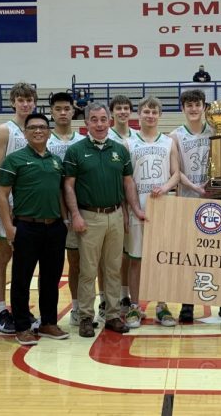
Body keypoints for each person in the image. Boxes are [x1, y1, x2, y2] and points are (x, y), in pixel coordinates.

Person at [63, 102, 146, 338]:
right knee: (88, 270)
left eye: (103, 119)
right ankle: (86, 317)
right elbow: (68, 186)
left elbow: (128, 182)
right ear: (86, 123)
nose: (99, 124)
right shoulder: (76, 151)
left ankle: (112, 315)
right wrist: (76, 214)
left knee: (112, 270)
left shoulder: (120, 150)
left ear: (109, 121)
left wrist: (134, 211)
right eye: (94, 120)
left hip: (116, 215)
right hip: (89, 216)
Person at [170, 89, 221, 323]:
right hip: (189, 200)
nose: (193, 108)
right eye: (188, 105)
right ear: (183, 108)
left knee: (220, 253)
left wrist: (216, 186)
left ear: (204, 108)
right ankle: (187, 304)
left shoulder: (217, 130)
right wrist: (195, 186)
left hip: (215, 199)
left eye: (197, 104)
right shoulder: (175, 136)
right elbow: (175, 169)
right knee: (189, 256)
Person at [0, 113, 70, 346]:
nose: (38, 131)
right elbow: (2, 194)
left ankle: (49, 322)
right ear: (25, 133)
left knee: (51, 278)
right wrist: (9, 228)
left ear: (49, 132)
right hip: (26, 227)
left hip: (54, 227)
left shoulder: (55, 160)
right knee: (22, 279)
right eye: (32, 128)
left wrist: (64, 221)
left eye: (42, 127)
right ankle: (22, 326)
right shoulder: (14, 160)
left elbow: (60, 192)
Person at [124, 96, 180, 328]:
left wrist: (165, 187)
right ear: (139, 114)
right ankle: (135, 307)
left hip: (163, 209)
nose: (150, 115)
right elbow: (126, 180)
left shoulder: (168, 142)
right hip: (138, 209)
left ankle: (162, 306)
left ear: (160, 115)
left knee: (162, 260)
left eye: (154, 112)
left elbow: (176, 173)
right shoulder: (128, 142)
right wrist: (134, 208)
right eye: (146, 112)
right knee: (136, 260)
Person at [0, 82, 37, 334]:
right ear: (13, 102)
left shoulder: (37, 128)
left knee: (26, 259)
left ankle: (22, 308)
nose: (25, 103)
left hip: (30, 203)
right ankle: (0, 310)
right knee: (4, 256)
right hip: (8, 202)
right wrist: (4, 200)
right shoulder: (5, 130)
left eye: (29, 99)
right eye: (21, 99)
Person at [46, 92, 86, 327]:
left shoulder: (82, 141)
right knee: (49, 266)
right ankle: (46, 311)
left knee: (77, 262)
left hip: (76, 209)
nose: (62, 112)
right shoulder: (43, 139)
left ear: (73, 111)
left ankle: (78, 306)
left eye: (66, 108)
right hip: (49, 210)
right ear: (52, 112)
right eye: (58, 109)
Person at [108, 95, 138, 319]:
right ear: (112, 113)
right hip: (115, 202)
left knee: (132, 253)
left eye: (126, 108)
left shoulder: (138, 137)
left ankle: (127, 295)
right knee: (113, 255)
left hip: (137, 200)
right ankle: (111, 297)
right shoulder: (105, 136)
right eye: (118, 108)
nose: (123, 111)